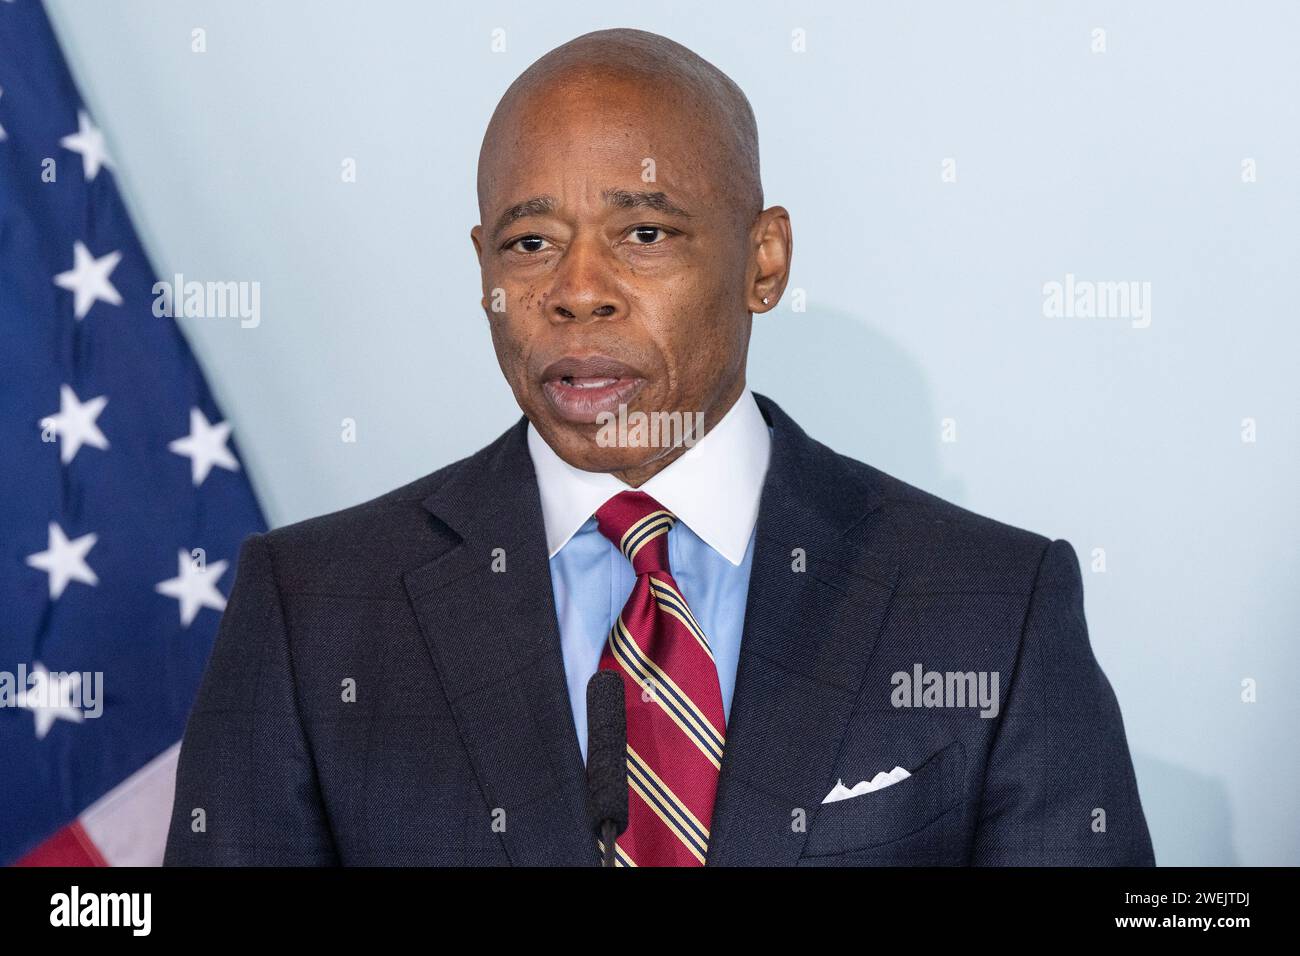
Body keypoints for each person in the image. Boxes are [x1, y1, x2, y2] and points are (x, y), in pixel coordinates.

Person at [164, 28, 1154, 866]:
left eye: (642, 234)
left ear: (763, 261)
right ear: (484, 272)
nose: (576, 288)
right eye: (529, 241)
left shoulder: (993, 604)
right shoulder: (312, 610)